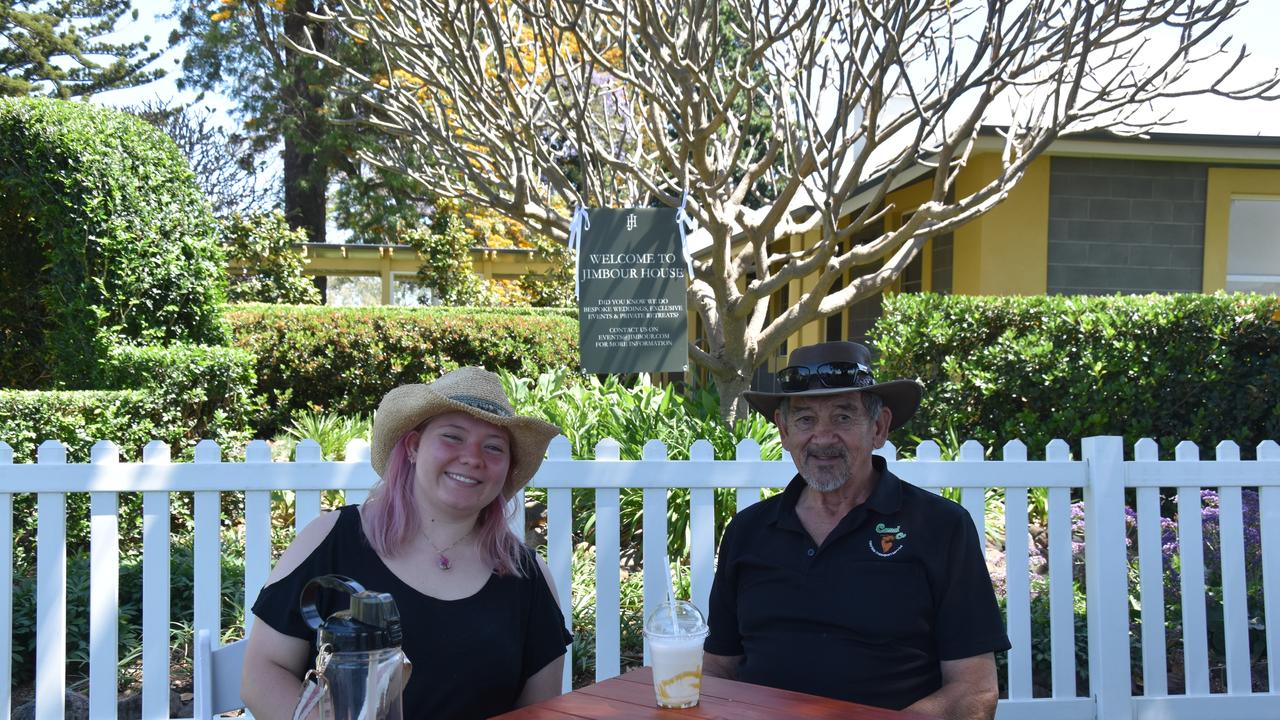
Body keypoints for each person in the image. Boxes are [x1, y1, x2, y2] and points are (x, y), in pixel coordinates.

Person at [241, 367, 572, 720]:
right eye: (453, 436)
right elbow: (262, 673)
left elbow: (540, 710)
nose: (473, 458)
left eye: (493, 447)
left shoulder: (526, 576)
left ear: (507, 468)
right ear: (414, 446)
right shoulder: (331, 539)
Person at [702, 341, 1010, 720]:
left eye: (843, 417)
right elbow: (718, 668)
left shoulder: (940, 527)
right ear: (784, 432)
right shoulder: (747, 531)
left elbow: (975, 691)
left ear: (878, 428)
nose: (823, 437)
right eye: (804, 420)